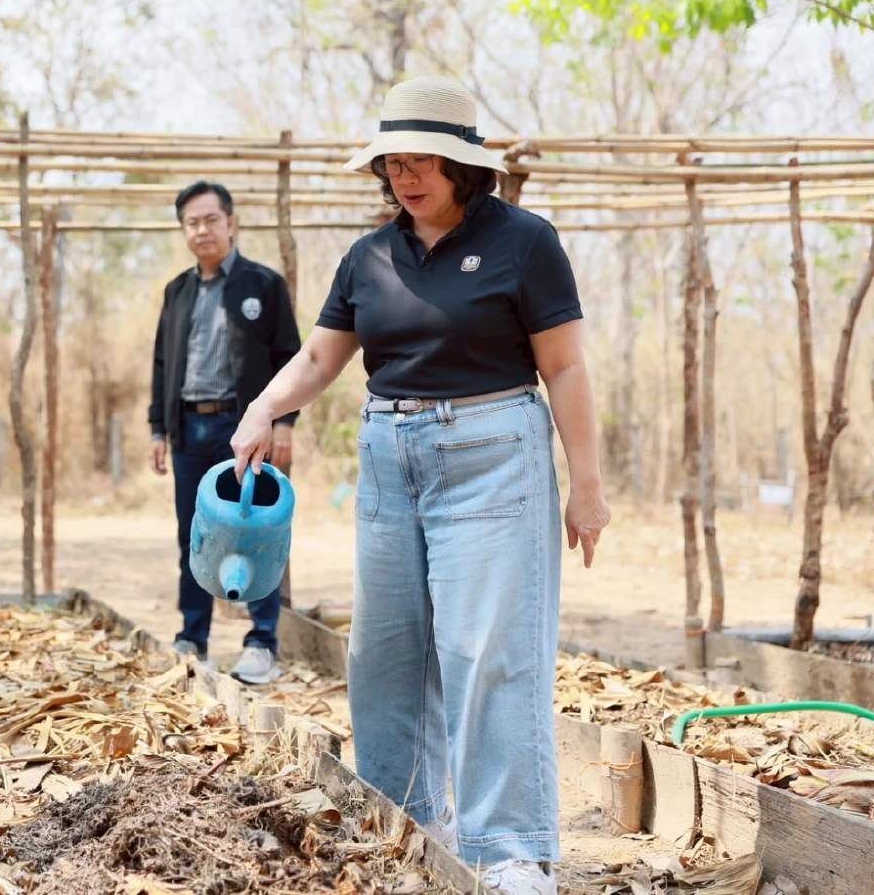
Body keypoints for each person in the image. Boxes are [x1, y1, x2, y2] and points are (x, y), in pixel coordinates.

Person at [229, 76, 610, 895]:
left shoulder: (525, 242)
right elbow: (322, 359)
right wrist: (263, 406)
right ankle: (398, 826)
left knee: (487, 654)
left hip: (493, 455)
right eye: (394, 163)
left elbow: (567, 366)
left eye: (423, 162)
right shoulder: (368, 256)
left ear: (463, 167)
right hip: (389, 458)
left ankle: (508, 847)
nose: (406, 177)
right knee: (387, 655)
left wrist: (587, 486)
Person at [148, 181, 302, 684]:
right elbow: (163, 364)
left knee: (255, 531)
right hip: (189, 429)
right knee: (192, 534)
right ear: (183, 231)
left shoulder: (263, 285)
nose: (202, 230)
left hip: (246, 432)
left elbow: (290, 360)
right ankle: (193, 638)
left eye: (211, 219)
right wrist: (158, 428)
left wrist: (283, 423)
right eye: (192, 222)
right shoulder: (177, 291)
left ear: (231, 223)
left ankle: (262, 645)